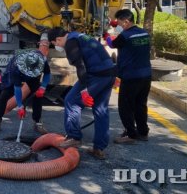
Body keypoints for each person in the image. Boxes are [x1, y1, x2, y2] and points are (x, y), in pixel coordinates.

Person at [47, 27, 116, 160]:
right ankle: (99, 148)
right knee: (101, 110)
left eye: (55, 44)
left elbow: (81, 66)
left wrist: (85, 89)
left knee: (71, 101)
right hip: (108, 73)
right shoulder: (80, 36)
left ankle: (74, 137)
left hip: (96, 76)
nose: (57, 46)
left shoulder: (70, 43)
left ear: (59, 39)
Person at [105, 9, 152, 144]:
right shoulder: (144, 33)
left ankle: (131, 134)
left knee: (125, 106)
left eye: (119, 22)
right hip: (146, 75)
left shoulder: (125, 36)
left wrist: (106, 35)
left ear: (126, 21)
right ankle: (143, 132)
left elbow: (111, 44)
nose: (118, 24)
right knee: (140, 105)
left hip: (131, 76)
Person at [0, 48, 51, 135]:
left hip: (33, 76)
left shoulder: (41, 60)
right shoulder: (15, 67)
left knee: (38, 95)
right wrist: (20, 106)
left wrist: (43, 88)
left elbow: (47, 73)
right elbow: (17, 88)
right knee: (4, 94)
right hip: (17, 72)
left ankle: (37, 122)